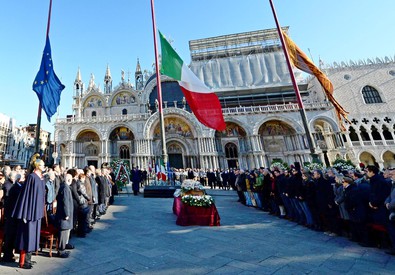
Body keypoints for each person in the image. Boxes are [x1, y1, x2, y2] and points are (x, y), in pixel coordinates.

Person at [12, 153, 46, 269]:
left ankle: (29, 259)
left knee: (34, 237)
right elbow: (26, 196)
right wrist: (25, 213)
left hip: (36, 212)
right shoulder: (32, 177)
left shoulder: (41, 178)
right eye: (42, 165)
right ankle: (23, 261)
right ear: (37, 166)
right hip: (30, 212)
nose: (44, 166)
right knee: (27, 236)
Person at [55, 173, 74, 258]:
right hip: (63, 215)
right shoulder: (65, 188)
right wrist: (67, 214)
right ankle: (61, 251)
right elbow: (65, 202)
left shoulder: (64, 186)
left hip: (63, 214)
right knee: (63, 232)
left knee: (65, 231)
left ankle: (62, 249)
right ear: (69, 180)